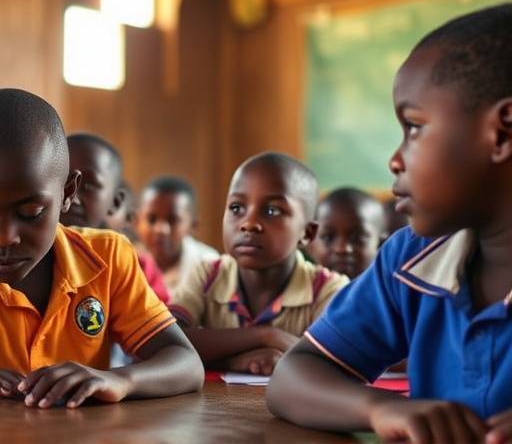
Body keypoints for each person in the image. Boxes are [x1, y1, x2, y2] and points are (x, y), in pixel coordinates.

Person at [267, 4, 512, 444]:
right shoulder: (411, 259)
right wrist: (383, 408)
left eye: (413, 127)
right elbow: (292, 378)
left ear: (503, 134)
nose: (395, 160)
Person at [0, 89, 203, 408]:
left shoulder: (106, 258)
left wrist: (120, 379)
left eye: (30, 213)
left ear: (69, 192)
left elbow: (186, 363)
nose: (5, 237)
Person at [170, 152, 349, 375]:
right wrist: (265, 336)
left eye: (272, 211)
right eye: (236, 208)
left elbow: (332, 362)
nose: (249, 223)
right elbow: (168, 342)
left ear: (307, 232)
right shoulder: (207, 275)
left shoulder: (327, 289)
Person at [60, 133, 169, 304]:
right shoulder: (27, 256)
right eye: (63, 182)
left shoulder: (133, 264)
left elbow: (158, 324)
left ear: (115, 202)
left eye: (88, 186)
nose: (71, 196)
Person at [136, 176, 218, 293]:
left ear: (193, 226)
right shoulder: (127, 260)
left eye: (172, 220)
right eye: (152, 219)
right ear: (137, 222)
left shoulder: (210, 267)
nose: (161, 229)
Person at [307, 187, 387, 279]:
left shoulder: (392, 291)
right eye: (328, 238)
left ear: (381, 244)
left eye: (357, 238)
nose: (342, 249)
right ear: (310, 242)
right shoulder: (300, 290)